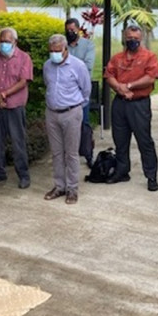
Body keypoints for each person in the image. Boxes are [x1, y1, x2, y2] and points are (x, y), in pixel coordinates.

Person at [104, 25, 158, 191]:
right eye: (129, 38)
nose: (132, 41)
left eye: (136, 39)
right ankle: (122, 171)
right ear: (124, 37)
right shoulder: (117, 58)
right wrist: (120, 88)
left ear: (141, 38)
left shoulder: (149, 57)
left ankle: (151, 176)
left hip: (139, 104)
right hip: (120, 103)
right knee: (120, 140)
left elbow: (151, 78)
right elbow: (109, 75)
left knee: (144, 141)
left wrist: (129, 86)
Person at [42, 34, 92, 204]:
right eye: (51, 51)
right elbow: (47, 85)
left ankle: (72, 189)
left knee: (71, 153)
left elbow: (86, 90)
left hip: (71, 112)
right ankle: (59, 186)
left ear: (65, 50)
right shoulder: (47, 65)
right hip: (52, 113)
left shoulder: (78, 66)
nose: (54, 54)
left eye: (57, 51)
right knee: (56, 153)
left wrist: (74, 107)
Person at [0, 27, 33, 189]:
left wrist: (3, 95)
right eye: (2, 41)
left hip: (14, 107)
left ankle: (23, 176)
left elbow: (23, 81)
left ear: (15, 42)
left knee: (18, 143)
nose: (4, 44)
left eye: (7, 41)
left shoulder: (24, 58)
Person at [65, 18, 96, 167]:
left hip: (81, 91)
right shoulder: (63, 45)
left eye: (72, 30)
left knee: (84, 123)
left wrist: (68, 69)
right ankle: (69, 155)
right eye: (67, 30)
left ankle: (88, 154)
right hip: (66, 93)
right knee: (67, 125)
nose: (70, 33)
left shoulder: (88, 45)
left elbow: (88, 65)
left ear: (78, 29)